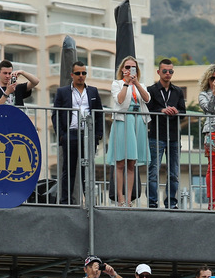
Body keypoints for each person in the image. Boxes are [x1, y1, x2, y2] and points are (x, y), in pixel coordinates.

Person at [53, 60, 105, 206]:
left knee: (87, 170)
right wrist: (61, 135)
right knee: (68, 170)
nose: (81, 76)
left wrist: (98, 134)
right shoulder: (62, 92)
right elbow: (55, 114)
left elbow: (99, 113)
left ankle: (89, 201)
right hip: (70, 134)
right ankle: (65, 202)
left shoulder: (93, 91)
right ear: (72, 75)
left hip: (88, 135)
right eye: (78, 73)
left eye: (83, 73)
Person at [106, 56, 150, 208]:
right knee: (120, 162)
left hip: (138, 121)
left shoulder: (140, 84)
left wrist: (136, 83)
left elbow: (147, 98)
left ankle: (129, 199)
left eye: (132, 67)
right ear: (122, 69)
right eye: (127, 67)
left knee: (131, 164)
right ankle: (120, 198)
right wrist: (126, 84)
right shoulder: (117, 84)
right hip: (123, 122)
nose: (129, 70)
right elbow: (119, 101)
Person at [145, 59, 186, 210]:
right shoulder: (151, 90)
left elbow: (183, 113)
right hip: (156, 135)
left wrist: (175, 112)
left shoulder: (178, 91)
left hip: (174, 137)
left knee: (174, 172)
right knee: (153, 171)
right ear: (158, 72)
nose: (168, 74)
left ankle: (171, 203)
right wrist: (162, 111)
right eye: (165, 71)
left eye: (171, 71)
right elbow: (147, 110)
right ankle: (152, 202)